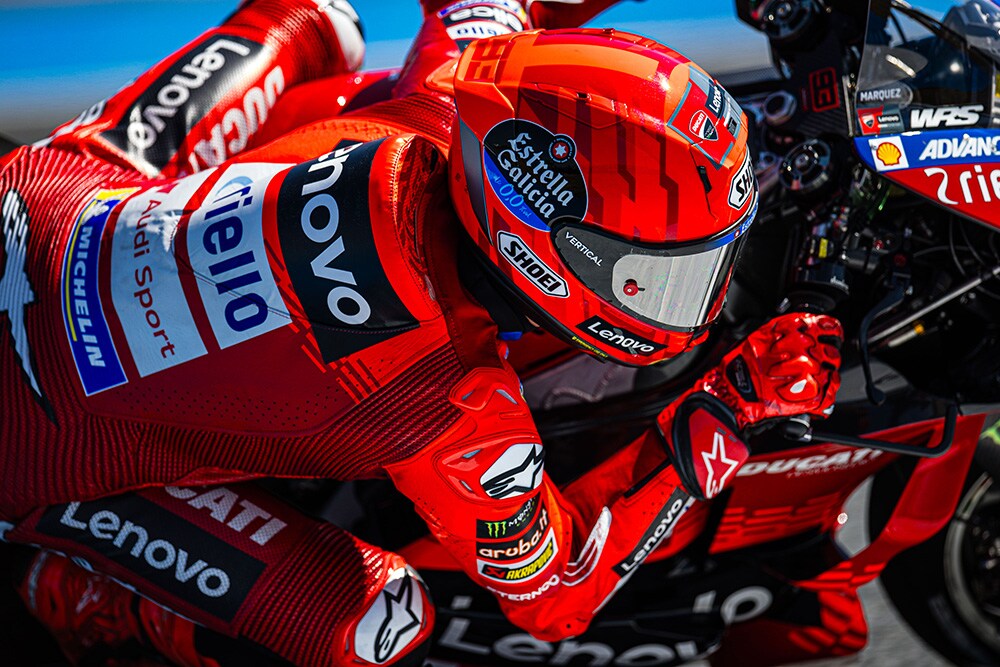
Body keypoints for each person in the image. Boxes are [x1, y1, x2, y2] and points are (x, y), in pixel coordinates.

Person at [0, 0, 843, 665]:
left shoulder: (451, 90)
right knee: (381, 619)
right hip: (40, 451)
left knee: (320, 18)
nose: (690, 299)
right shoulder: (452, 405)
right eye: (660, 277)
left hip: (36, 198)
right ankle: (77, 588)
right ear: (546, 250)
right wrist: (729, 406)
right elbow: (558, 596)